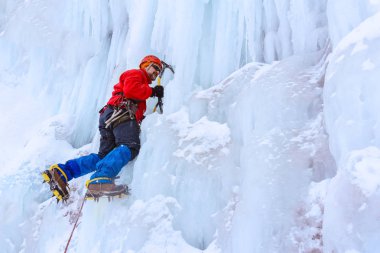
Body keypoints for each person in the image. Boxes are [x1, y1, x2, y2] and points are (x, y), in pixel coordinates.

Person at [42, 55, 164, 202]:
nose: (155, 73)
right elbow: (131, 90)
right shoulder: (136, 74)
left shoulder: (140, 82)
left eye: (158, 72)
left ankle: (62, 173)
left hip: (111, 116)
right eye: (155, 67)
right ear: (145, 65)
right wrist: (152, 92)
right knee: (130, 147)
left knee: (103, 157)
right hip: (121, 114)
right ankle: (100, 180)